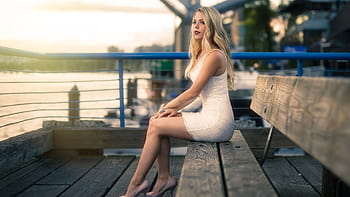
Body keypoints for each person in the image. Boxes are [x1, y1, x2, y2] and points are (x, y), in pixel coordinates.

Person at [121, 7, 235, 197]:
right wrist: (170, 111)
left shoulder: (215, 55)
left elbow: (193, 93)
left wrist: (168, 107)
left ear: (212, 26)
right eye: (194, 22)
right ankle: (163, 179)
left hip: (218, 123)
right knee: (158, 121)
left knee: (158, 123)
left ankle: (136, 184)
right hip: (208, 117)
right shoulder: (202, 55)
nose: (196, 26)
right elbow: (199, 97)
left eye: (202, 22)